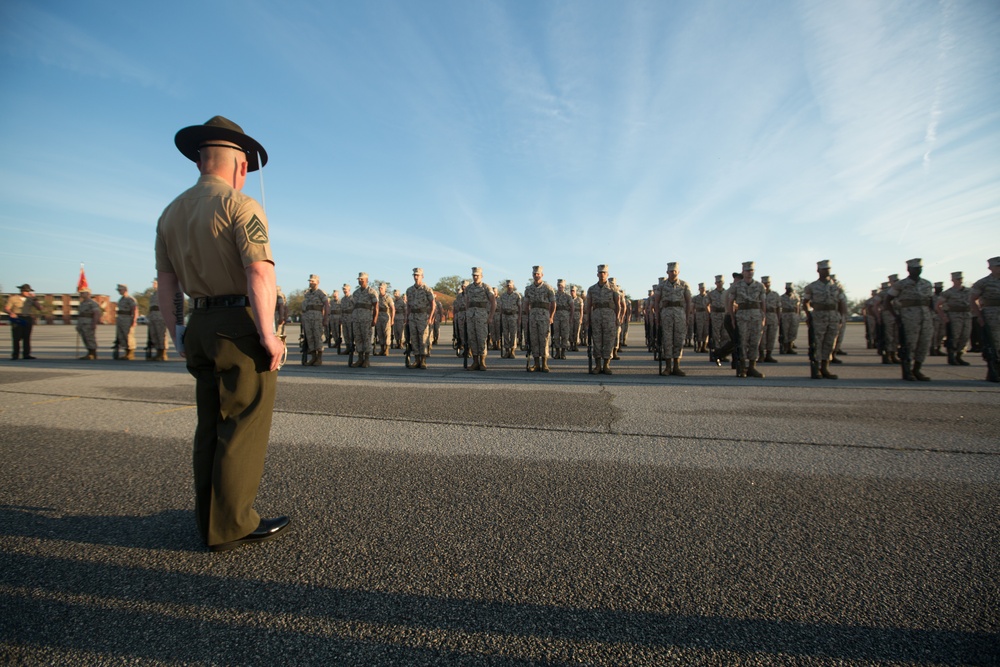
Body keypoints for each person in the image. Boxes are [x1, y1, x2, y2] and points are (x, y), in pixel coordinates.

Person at [155, 114, 289, 552]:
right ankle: (232, 524)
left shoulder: (170, 213)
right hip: (237, 326)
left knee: (209, 423)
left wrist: (176, 330)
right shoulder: (241, 206)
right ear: (242, 166)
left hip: (198, 323)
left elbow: (167, 283)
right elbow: (258, 271)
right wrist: (268, 334)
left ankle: (209, 518)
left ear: (199, 162)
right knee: (243, 422)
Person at [885, 258, 934, 381]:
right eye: (915, 268)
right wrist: (896, 316)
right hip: (909, 319)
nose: (918, 270)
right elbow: (887, 301)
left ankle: (917, 370)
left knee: (924, 343)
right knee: (909, 344)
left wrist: (931, 314)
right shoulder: (901, 284)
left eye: (919, 268)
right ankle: (906, 371)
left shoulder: (927, 284)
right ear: (908, 269)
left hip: (926, 319)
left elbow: (931, 301)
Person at [802, 260, 847, 379]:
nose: (826, 271)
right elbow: (805, 302)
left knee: (830, 342)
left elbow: (842, 302)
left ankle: (825, 367)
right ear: (818, 271)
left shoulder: (837, 286)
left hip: (833, 317)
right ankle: (816, 368)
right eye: (823, 269)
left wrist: (842, 317)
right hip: (818, 317)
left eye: (828, 269)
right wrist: (809, 315)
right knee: (817, 342)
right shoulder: (811, 287)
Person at [727, 261, 766, 378]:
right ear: (743, 272)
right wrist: (732, 318)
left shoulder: (760, 286)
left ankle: (752, 367)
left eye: (751, 270)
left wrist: (763, 317)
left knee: (755, 341)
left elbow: (763, 303)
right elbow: (730, 302)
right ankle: (743, 367)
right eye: (747, 270)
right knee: (743, 342)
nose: (749, 273)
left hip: (756, 316)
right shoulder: (737, 286)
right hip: (742, 316)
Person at [653, 261, 692, 376]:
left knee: (679, 340)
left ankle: (677, 366)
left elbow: (689, 302)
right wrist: (657, 317)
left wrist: (687, 316)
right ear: (667, 272)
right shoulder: (661, 286)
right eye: (671, 271)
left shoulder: (684, 285)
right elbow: (656, 302)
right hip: (666, 314)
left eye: (675, 271)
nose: (673, 273)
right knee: (667, 340)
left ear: (678, 272)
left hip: (680, 314)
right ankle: (668, 367)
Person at [586, 264, 624, 374]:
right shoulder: (592, 289)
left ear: (607, 274)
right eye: (600, 272)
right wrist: (588, 319)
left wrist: (617, 318)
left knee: (609, 341)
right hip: (596, 317)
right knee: (597, 341)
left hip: (610, 318)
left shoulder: (613, 288)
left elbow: (618, 305)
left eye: (604, 273)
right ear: (597, 274)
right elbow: (589, 306)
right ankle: (597, 366)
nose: (602, 274)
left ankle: (606, 365)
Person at [970, 256, 1000, 382]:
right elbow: (972, 299)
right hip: (991, 316)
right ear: (990, 267)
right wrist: (979, 316)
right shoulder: (983, 282)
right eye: (997, 266)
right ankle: (993, 369)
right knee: (993, 344)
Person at [523, 265, 556, 372]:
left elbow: (553, 303)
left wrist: (551, 316)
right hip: (533, 317)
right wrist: (528, 315)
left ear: (542, 275)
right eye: (534, 274)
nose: (536, 276)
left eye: (538, 274)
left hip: (544, 317)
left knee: (544, 339)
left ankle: (544, 364)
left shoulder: (548, 288)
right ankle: (536, 363)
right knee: (534, 340)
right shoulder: (529, 289)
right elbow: (526, 304)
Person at [463, 267, 496, 370]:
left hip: (482, 317)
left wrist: (490, 316)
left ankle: (482, 361)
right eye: (474, 275)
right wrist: (466, 314)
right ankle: (475, 361)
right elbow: (467, 303)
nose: (475, 277)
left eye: (477, 275)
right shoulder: (468, 288)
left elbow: (493, 302)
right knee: (472, 339)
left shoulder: (486, 287)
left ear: (481, 276)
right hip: (471, 316)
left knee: (481, 339)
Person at [937, 272, 972, 366]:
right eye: (957, 279)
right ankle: (951, 356)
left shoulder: (969, 291)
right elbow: (938, 305)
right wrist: (944, 316)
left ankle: (959, 356)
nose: (960, 280)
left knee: (965, 336)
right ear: (952, 280)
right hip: (954, 316)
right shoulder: (948, 292)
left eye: (961, 278)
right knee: (954, 336)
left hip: (966, 315)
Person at [405, 267, 436, 368]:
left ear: (422, 276)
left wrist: (430, 317)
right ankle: (416, 359)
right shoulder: (409, 290)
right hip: (412, 316)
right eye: (414, 275)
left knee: (423, 339)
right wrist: (407, 318)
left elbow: (433, 304)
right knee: (414, 339)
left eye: (418, 275)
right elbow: (408, 305)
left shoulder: (427, 289)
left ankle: (423, 360)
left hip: (423, 316)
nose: (416, 277)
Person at [4, 283, 41, 360]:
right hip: (17, 317)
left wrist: (35, 299)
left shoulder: (31, 299)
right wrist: (11, 313)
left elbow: (39, 308)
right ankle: (15, 355)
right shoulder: (13, 298)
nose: (28, 293)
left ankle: (26, 354)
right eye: (26, 291)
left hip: (27, 317)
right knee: (16, 337)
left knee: (27, 337)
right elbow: (7, 308)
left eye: (29, 291)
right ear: (22, 291)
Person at [350, 272, 379, 367]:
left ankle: (366, 359)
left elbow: (376, 306)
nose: (360, 280)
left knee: (366, 338)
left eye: (362, 279)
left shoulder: (371, 292)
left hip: (366, 319)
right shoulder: (355, 293)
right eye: (359, 279)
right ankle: (360, 358)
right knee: (358, 339)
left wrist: (375, 319)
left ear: (367, 280)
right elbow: (353, 307)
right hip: (356, 319)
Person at [301, 274, 328, 365]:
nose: (311, 282)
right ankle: (313, 357)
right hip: (308, 319)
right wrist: (303, 319)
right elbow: (304, 308)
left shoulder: (321, 293)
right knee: (310, 338)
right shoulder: (307, 294)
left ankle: (319, 358)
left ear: (317, 282)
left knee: (318, 337)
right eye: (310, 281)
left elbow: (326, 305)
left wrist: (325, 318)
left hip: (317, 319)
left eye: (313, 281)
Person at [498, 279, 522, 359]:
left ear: (513, 286)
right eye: (507, 285)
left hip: (513, 316)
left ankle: (512, 350)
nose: (509, 287)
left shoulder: (517, 295)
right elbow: (500, 307)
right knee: (505, 334)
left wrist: (519, 317)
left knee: (513, 334)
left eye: (510, 285)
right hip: (505, 316)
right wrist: (500, 316)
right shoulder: (503, 295)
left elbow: (520, 307)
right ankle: (507, 350)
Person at [76, 288, 103, 359]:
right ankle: (89, 352)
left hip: (88, 323)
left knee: (90, 338)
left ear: (88, 294)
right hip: (82, 323)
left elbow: (96, 313)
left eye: (83, 293)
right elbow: (80, 314)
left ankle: (93, 353)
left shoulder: (92, 303)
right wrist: (78, 324)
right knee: (85, 338)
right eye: (80, 293)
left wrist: (94, 323)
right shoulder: (82, 303)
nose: (81, 294)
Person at [114, 283, 138, 360]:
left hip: (127, 320)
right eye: (118, 290)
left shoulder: (130, 299)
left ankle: (131, 353)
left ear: (125, 290)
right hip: (121, 320)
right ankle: (126, 352)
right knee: (122, 336)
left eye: (120, 290)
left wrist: (134, 320)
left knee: (128, 335)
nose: (119, 291)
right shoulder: (121, 299)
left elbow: (134, 310)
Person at [760, 276, 781, 363]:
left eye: (767, 283)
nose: (766, 285)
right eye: (764, 283)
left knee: (771, 337)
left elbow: (778, 308)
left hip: (772, 317)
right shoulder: (759, 294)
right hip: (762, 317)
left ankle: (769, 355)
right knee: (761, 338)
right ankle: (761, 355)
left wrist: (779, 319)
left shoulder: (775, 294)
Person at [147, 278, 168, 361]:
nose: (153, 285)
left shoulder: (164, 293)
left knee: (161, 335)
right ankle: (158, 353)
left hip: (160, 316)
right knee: (154, 335)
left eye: (155, 283)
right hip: (153, 317)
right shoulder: (153, 295)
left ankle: (163, 354)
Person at [552, 279, 574, 359]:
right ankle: (557, 352)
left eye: (561, 285)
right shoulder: (554, 296)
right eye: (558, 285)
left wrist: (571, 318)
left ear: (564, 286)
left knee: (565, 335)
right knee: (556, 335)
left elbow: (572, 307)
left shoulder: (568, 296)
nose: (560, 287)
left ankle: (563, 352)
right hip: (556, 317)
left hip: (565, 317)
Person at [374, 282, 394, 356]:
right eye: (379, 288)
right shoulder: (377, 298)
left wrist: (392, 319)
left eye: (381, 288)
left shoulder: (388, 298)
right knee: (380, 333)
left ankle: (386, 349)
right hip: (378, 317)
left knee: (387, 334)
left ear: (385, 289)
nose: (380, 289)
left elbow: (393, 309)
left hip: (386, 317)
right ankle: (382, 349)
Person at [780, 282, 800, 354]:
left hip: (794, 315)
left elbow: (797, 307)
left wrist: (798, 316)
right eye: (788, 289)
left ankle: (790, 347)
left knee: (793, 332)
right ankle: (784, 347)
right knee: (785, 332)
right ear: (785, 289)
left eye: (790, 289)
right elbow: (779, 308)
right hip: (785, 315)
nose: (789, 290)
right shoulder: (781, 297)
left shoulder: (796, 297)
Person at [691, 283, 710, 353]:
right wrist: (693, 315)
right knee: (699, 331)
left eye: (704, 288)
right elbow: (692, 308)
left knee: (706, 331)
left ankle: (704, 347)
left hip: (706, 314)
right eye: (701, 288)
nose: (703, 289)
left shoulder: (708, 297)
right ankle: (699, 346)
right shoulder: (695, 298)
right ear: (699, 289)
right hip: (699, 314)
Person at [570, 285, 584, 351]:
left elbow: (581, 310)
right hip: (570, 317)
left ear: (576, 292)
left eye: (573, 291)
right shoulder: (569, 299)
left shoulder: (579, 299)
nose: (572, 292)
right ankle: (571, 345)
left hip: (577, 317)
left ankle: (575, 345)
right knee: (570, 331)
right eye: (571, 291)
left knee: (576, 331)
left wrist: (581, 318)